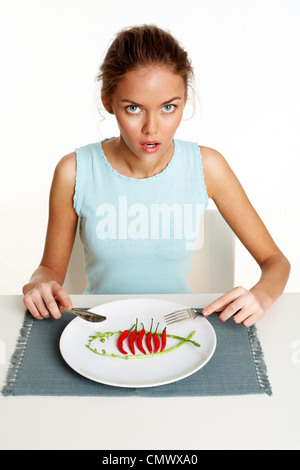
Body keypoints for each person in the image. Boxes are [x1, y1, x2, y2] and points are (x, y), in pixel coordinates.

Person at [22, 25, 290, 327]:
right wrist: (39, 284)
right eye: (134, 108)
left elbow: (276, 262)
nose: (152, 128)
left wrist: (261, 296)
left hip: (177, 327)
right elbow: (49, 269)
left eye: (168, 107)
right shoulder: (73, 171)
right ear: (108, 101)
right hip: (99, 326)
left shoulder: (207, 166)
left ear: (184, 101)